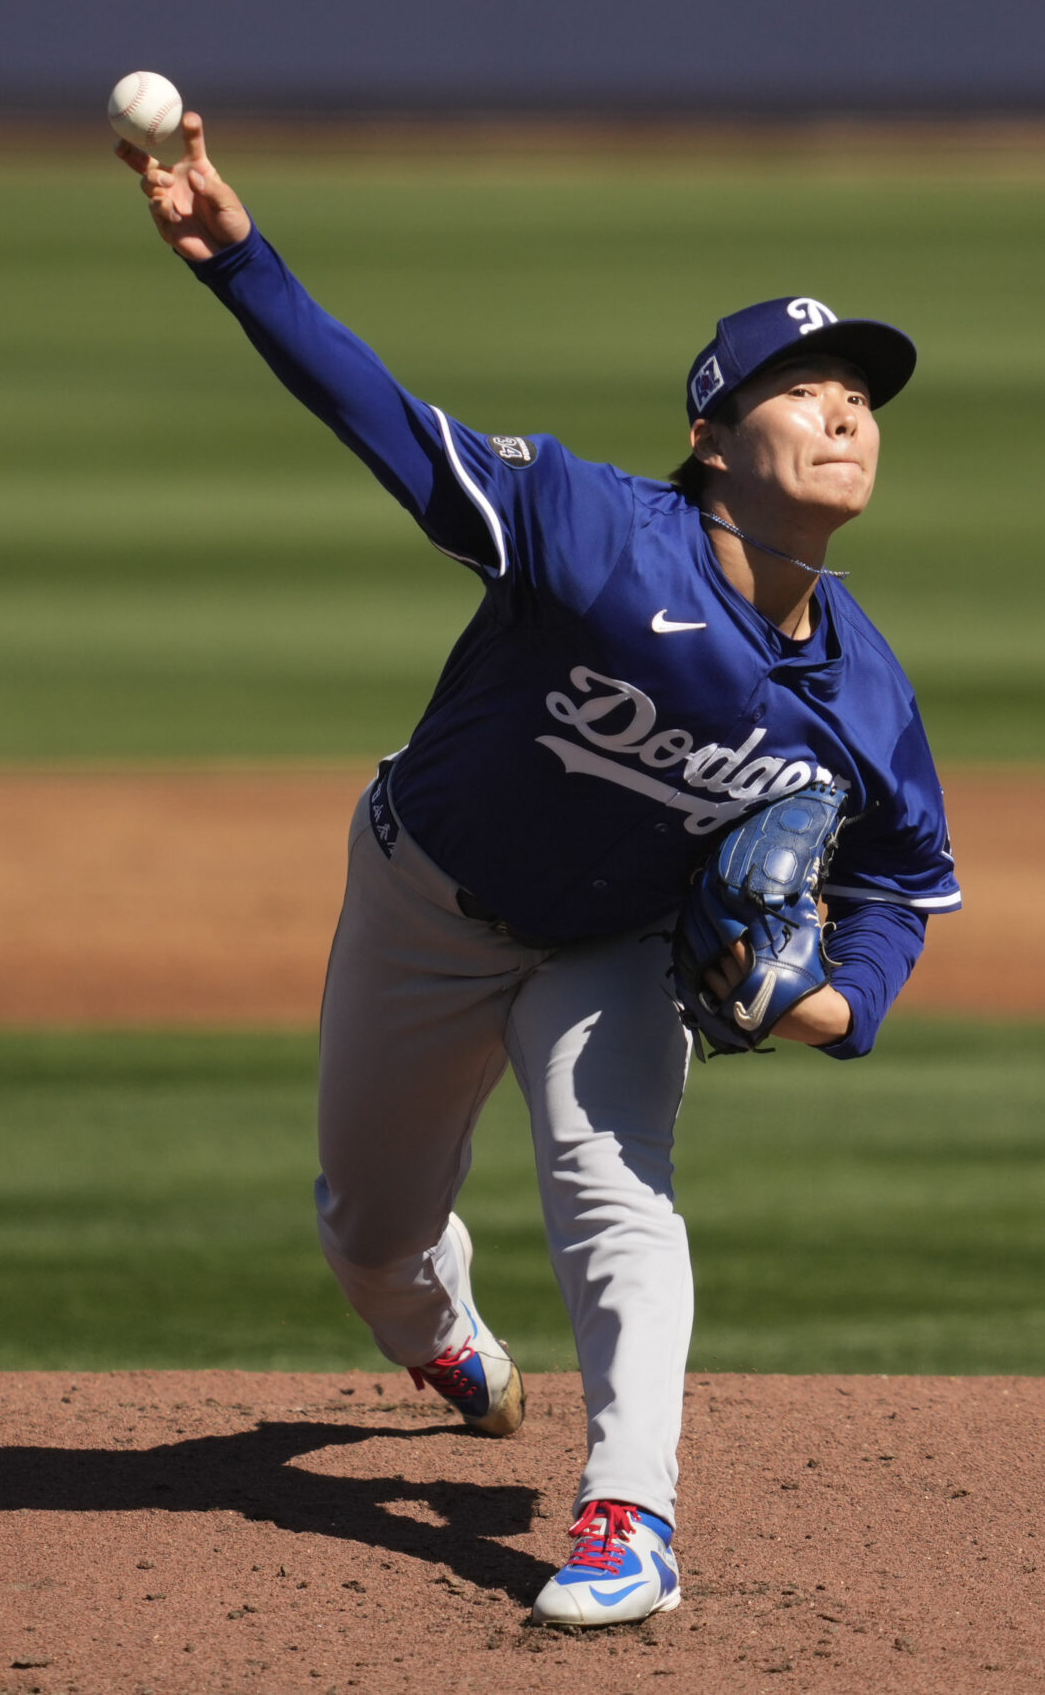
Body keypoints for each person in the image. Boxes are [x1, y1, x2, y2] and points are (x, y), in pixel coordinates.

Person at [117, 116, 960, 1628]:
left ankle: (628, 1516)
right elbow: (386, 422)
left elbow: (901, 890)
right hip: (424, 901)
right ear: (712, 437)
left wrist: (833, 1011)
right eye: (801, 393)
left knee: (619, 1189)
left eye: (859, 399)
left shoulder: (868, 698)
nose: (844, 417)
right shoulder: (593, 531)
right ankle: (438, 1329)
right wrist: (240, 262)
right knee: (372, 1230)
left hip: (615, 947)